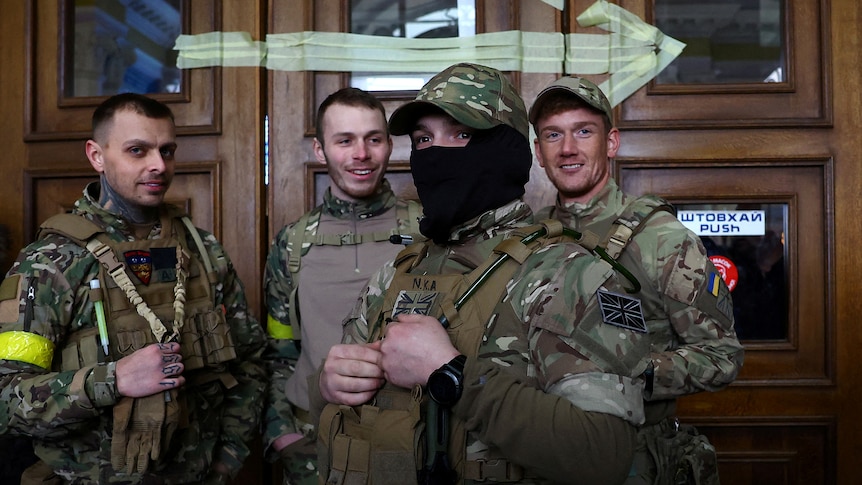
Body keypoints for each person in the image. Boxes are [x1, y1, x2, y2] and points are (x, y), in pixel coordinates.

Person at [308, 62, 660, 485]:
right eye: (423, 139)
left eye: (461, 135)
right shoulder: (398, 271)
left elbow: (602, 456)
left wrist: (450, 373)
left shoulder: (573, 275)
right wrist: (326, 386)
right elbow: (344, 413)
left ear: (505, 149)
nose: (435, 154)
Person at [0, 93, 267, 484]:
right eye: (138, 150)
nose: (158, 165)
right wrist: (114, 380)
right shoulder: (51, 262)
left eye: (167, 150)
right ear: (97, 155)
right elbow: (7, 398)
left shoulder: (201, 250)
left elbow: (250, 360)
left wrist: (228, 457)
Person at [529, 76, 745, 483]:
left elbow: (721, 358)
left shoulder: (663, 240)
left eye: (583, 131)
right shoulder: (528, 239)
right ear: (538, 152)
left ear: (611, 143)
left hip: (633, 457)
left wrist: (633, 372)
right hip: (543, 455)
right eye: (553, 135)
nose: (568, 148)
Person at [262, 87, 420, 484]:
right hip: (314, 446)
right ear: (320, 150)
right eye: (344, 140)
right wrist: (284, 436)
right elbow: (279, 352)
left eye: (373, 139)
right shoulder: (293, 243)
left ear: (388, 145)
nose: (361, 154)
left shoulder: (427, 231)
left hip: (408, 443)